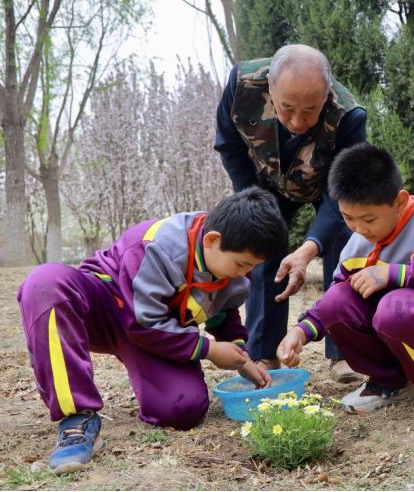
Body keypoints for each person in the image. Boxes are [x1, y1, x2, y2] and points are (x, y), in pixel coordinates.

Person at [17, 187, 288, 474]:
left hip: (154, 332)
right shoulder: (158, 245)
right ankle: (76, 419)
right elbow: (142, 323)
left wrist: (241, 356)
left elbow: (224, 310)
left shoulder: (228, 262)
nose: (243, 272)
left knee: (182, 409)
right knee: (45, 282)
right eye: (242, 264)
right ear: (212, 240)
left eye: (252, 267)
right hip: (107, 306)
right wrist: (208, 350)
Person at [276, 143, 414, 427]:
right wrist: (300, 332)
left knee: (394, 307)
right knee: (336, 302)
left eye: (368, 219)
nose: (359, 229)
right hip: (398, 329)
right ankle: (388, 382)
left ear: (400, 201)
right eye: (348, 218)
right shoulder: (357, 244)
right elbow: (337, 298)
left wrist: (398, 274)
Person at [214, 43, 366, 383]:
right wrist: (253, 201)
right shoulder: (242, 85)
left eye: (311, 111)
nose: (298, 122)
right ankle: (265, 352)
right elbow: (229, 145)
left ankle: (344, 352)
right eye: (287, 109)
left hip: (327, 185)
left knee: (344, 247)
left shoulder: (349, 116)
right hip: (265, 182)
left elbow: (342, 193)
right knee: (264, 249)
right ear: (270, 88)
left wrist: (308, 248)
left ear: (326, 94)